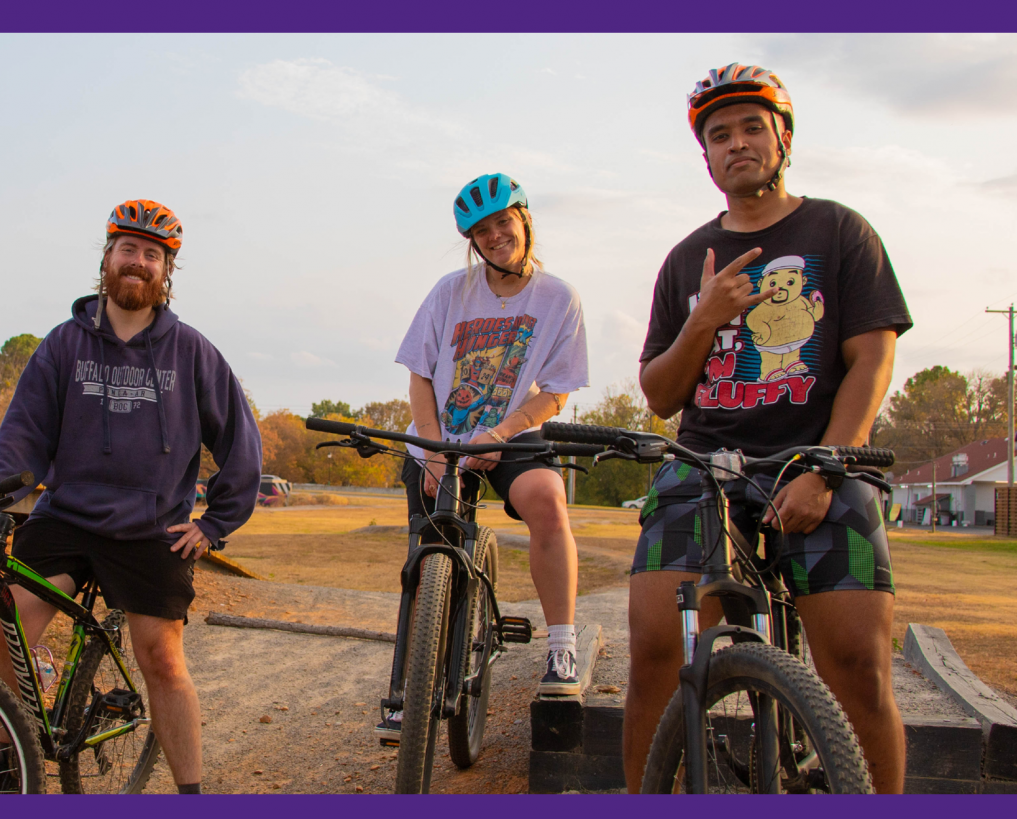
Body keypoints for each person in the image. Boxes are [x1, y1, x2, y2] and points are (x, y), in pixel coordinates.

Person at [627, 64, 913, 792]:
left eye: (753, 126)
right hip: (704, 463)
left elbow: (873, 357)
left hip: (817, 456)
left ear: (784, 137)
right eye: (719, 135)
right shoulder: (688, 258)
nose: (737, 143)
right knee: (657, 644)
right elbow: (661, 393)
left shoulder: (840, 230)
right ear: (706, 158)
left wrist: (828, 466)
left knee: (857, 661)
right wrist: (703, 318)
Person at [0, 199, 262, 793]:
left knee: (162, 658)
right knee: (10, 621)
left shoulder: (191, 351)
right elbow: (25, 431)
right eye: (128, 250)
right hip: (66, 515)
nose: (138, 262)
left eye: (152, 255)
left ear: (166, 272)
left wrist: (216, 521)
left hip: (151, 527)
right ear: (107, 260)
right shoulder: (65, 344)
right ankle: (10, 758)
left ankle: (190, 793)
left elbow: (241, 442)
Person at [383, 173, 591, 742]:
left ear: (524, 219)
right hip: (441, 434)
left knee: (547, 502)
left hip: (512, 428)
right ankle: (411, 686)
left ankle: (561, 650)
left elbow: (554, 392)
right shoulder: (451, 291)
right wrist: (430, 446)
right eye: (482, 231)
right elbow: (420, 373)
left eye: (504, 221)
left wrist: (500, 431)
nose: (497, 235)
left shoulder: (558, 298)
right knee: (430, 554)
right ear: (472, 241)